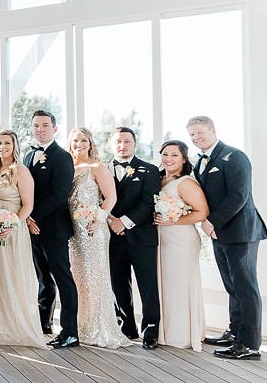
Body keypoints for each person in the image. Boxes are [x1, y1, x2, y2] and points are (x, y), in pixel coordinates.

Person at [189, 116, 267, 360]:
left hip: (241, 232)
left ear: (213, 131)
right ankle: (235, 333)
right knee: (232, 285)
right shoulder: (200, 161)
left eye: (200, 132)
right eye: (192, 134)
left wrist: (212, 222)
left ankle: (250, 345)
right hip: (219, 233)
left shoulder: (234, 157)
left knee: (246, 287)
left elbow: (239, 195)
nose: (196, 138)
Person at [67, 127, 130, 349]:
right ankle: (80, 325)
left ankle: (99, 329)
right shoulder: (68, 166)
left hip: (92, 228)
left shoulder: (97, 166)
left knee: (95, 277)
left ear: (91, 143)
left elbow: (111, 197)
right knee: (78, 278)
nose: (79, 144)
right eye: (75, 140)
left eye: (83, 140)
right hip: (72, 230)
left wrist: (98, 217)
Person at [0, 129, 46, 348]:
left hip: (11, 232)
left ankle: (13, 326)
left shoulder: (21, 171)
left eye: (7, 143)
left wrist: (12, 224)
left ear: (14, 146)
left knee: (11, 275)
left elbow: (27, 204)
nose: (2, 147)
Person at [24, 109, 79, 348]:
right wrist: (26, 219)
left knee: (63, 279)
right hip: (32, 227)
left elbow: (59, 195)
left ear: (54, 129)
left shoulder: (62, 156)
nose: (40, 129)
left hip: (54, 228)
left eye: (45, 125)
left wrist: (32, 216)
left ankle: (70, 332)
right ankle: (43, 324)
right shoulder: (27, 156)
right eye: (36, 125)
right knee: (43, 279)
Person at [106, 127, 161, 349]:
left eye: (127, 141)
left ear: (134, 144)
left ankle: (150, 331)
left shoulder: (149, 170)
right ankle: (125, 327)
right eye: (118, 141)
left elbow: (149, 203)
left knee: (147, 286)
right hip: (111, 237)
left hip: (142, 236)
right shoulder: (101, 169)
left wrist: (124, 222)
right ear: (111, 144)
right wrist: (112, 222)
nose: (122, 145)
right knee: (118, 284)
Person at [155, 139, 209, 351]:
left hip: (181, 240)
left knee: (180, 286)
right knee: (167, 286)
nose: (168, 159)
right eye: (165, 154)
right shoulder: (159, 179)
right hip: (163, 239)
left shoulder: (186, 182)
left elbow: (202, 212)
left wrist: (172, 220)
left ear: (184, 159)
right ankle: (166, 332)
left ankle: (182, 335)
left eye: (174, 155)